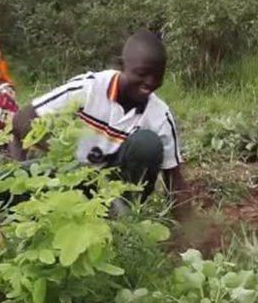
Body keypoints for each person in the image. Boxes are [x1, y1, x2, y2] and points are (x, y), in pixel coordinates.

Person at [10, 31, 189, 218]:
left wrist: (190, 230)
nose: (150, 83)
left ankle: (124, 216)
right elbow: (23, 119)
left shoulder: (160, 115)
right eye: (142, 74)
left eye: (157, 76)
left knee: (147, 143)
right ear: (122, 66)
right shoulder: (89, 89)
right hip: (69, 178)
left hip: (115, 190)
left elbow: (173, 177)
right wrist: (64, 158)